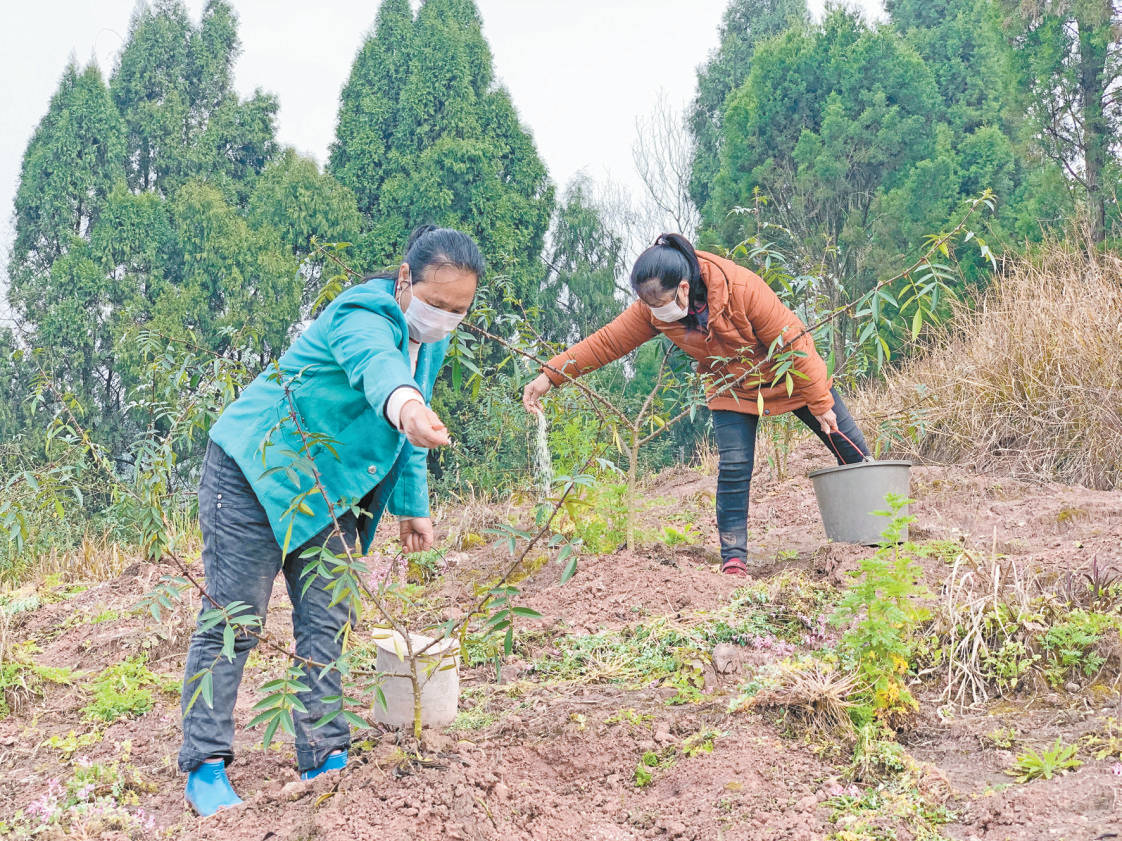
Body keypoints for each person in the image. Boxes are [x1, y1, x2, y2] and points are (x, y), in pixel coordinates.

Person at [178, 226, 483, 816]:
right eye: (436, 303)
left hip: (330, 489)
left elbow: (413, 428)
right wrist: (410, 406)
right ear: (404, 280)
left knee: (328, 621)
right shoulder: (360, 311)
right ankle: (206, 764)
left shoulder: (432, 340)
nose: (444, 318)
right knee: (234, 619)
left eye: (459, 310)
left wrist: (412, 506)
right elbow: (384, 377)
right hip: (254, 472)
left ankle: (324, 753)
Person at [522, 233, 869, 576]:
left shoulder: (742, 289)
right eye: (649, 305)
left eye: (661, 304)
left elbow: (794, 341)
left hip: (787, 374)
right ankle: (734, 558)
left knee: (846, 441)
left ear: (684, 288)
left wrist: (820, 401)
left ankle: (879, 525)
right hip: (730, 386)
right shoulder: (653, 308)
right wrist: (550, 376)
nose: (657, 312)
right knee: (734, 466)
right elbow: (607, 342)